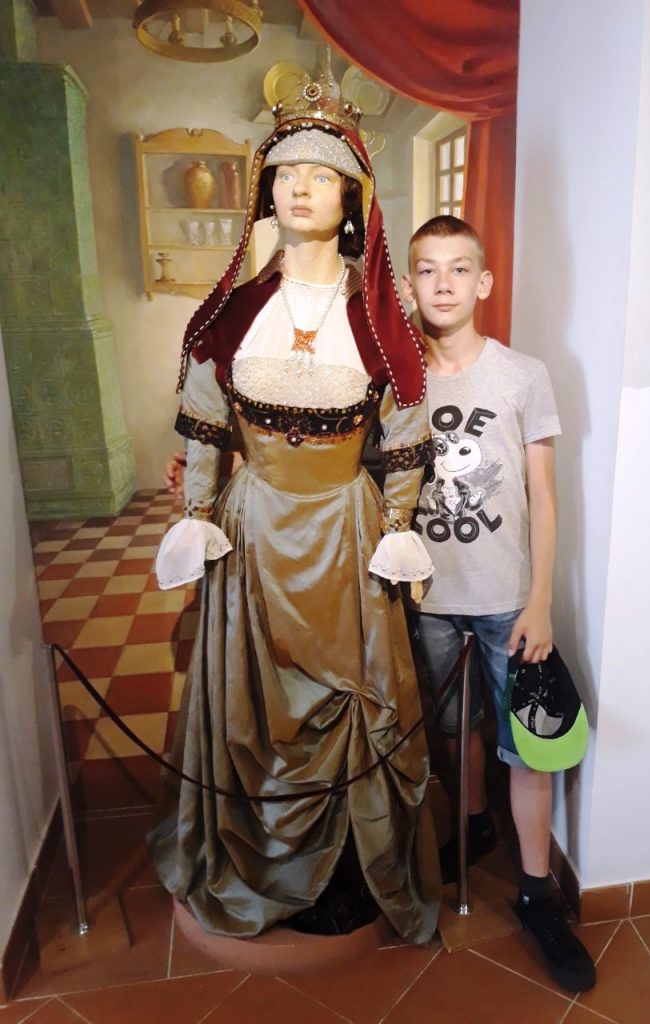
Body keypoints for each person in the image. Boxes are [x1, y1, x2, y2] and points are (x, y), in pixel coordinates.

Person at [148, 79, 441, 944]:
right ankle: (259, 858)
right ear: (264, 192)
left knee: (355, 692)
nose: (299, 187)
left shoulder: (381, 318)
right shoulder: (232, 312)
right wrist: (197, 511)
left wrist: (398, 529)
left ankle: (350, 864)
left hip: (345, 533)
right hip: (254, 532)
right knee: (255, 695)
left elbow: (406, 436)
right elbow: (206, 428)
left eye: (320, 173)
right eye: (284, 173)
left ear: (352, 195)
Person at [402, 215, 596, 991]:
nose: (443, 284)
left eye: (459, 269)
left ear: (483, 282)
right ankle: (474, 824)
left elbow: (543, 496)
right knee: (456, 730)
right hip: (427, 598)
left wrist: (540, 600)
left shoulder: (523, 375)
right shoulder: (399, 380)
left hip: (507, 599)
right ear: (409, 283)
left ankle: (538, 893)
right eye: (427, 269)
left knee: (526, 745)